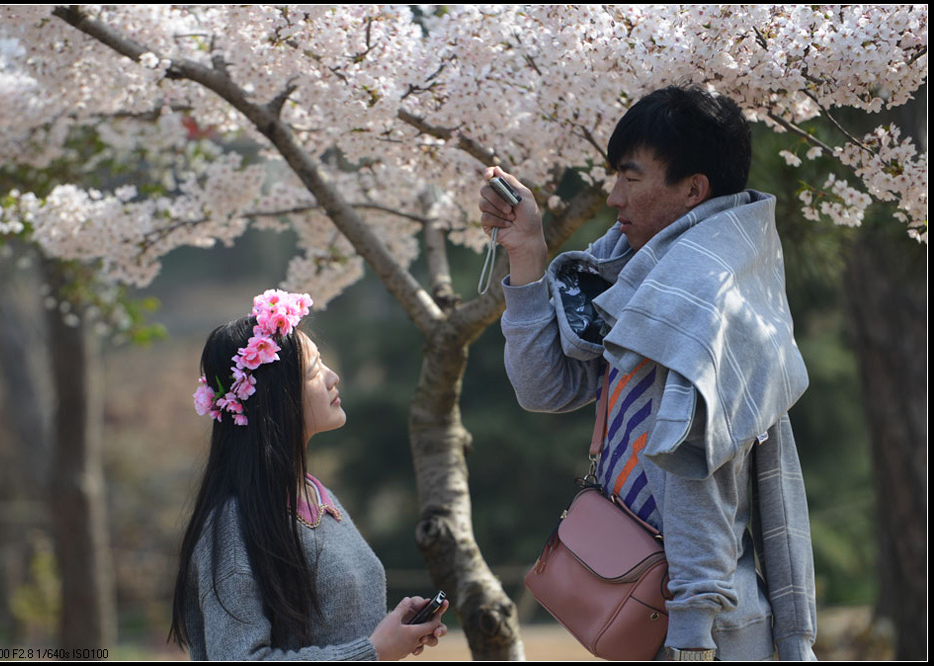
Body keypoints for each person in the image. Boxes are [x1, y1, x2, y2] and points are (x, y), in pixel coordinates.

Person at [479, 86, 817, 661]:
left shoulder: (701, 308)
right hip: (657, 620)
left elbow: (697, 486)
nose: (614, 197)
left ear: (694, 189)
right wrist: (526, 253)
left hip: (702, 635)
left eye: (631, 178)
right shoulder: (645, 286)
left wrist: (691, 638)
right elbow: (546, 388)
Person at [169, 289, 448, 660]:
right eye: (316, 371)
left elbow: (332, 632)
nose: (333, 378)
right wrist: (372, 651)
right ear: (275, 396)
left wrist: (392, 630)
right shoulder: (233, 525)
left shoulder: (319, 497)